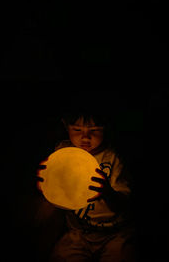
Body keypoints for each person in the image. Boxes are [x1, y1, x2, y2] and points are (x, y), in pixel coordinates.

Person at [37, 105, 136, 262]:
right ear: (66, 126)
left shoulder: (114, 158)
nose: (85, 137)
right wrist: (46, 182)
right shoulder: (62, 152)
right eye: (77, 130)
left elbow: (125, 204)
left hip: (115, 233)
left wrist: (107, 193)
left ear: (106, 128)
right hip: (78, 232)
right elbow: (57, 190)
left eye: (94, 130)